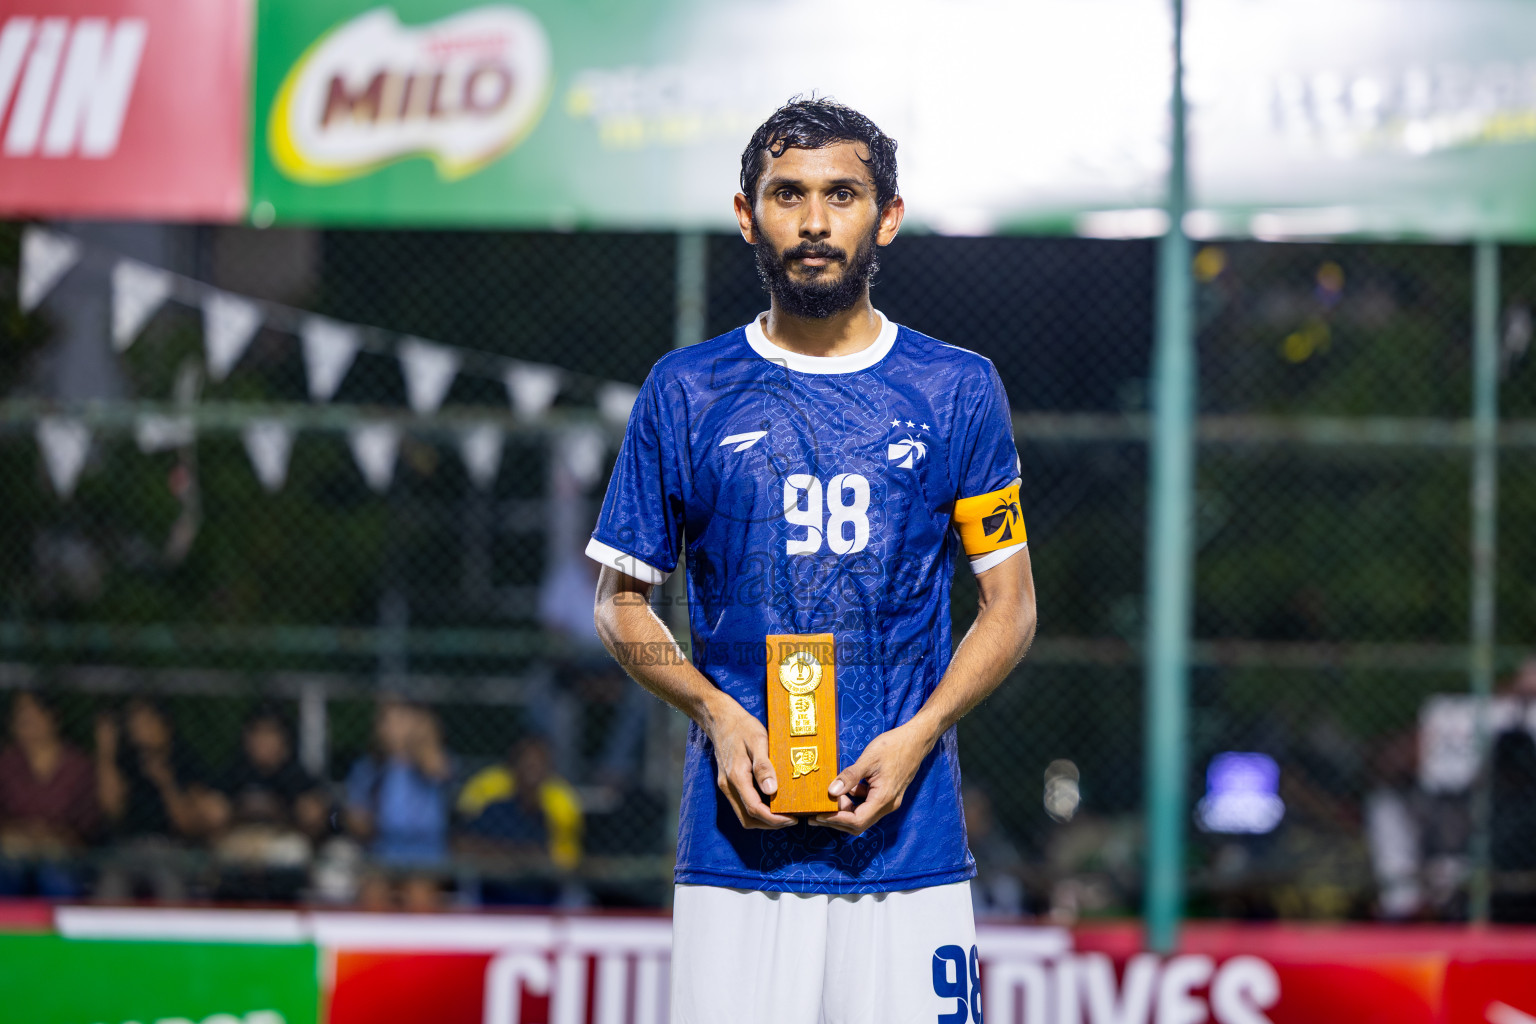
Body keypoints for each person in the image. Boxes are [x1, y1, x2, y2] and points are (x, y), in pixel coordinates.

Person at [589, 98, 1037, 1023]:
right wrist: (713, 711)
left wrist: (920, 735)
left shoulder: (957, 389)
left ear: (889, 216)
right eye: (789, 194)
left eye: (842, 194)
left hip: (911, 851)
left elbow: (1012, 609)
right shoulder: (687, 390)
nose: (816, 220)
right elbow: (620, 604)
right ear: (749, 214)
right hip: (734, 859)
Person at [203, 706, 330, 901]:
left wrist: (279, 813)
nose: (262, 741)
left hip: (281, 837)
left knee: (292, 851)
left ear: (284, 741)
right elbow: (212, 813)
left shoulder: (295, 774)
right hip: (240, 836)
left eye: (270, 734)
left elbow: (315, 816)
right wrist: (242, 812)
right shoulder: (236, 771)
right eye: (257, 734)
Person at [95, 697, 212, 901]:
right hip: (129, 846)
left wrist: (166, 783)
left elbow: (188, 825)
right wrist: (106, 751)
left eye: (145, 721)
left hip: (171, 848)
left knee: (169, 883)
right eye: (134, 722)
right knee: (111, 884)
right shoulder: (126, 759)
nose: (138, 729)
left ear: (164, 725)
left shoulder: (184, 760)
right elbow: (111, 807)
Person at [344, 698, 453, 909]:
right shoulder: (369, 768)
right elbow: (356, 812)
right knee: (372, 893)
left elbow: (438, 770)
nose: (391, 729)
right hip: (382, 850)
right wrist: (358, 820)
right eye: (385, 722)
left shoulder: (429, 762)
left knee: (418, 893)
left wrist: (421, 739)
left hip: (425, 854)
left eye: (400, 721)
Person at [456, 735, 584, 904]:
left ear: (549, 770)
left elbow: (568, 861)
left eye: (539, 763)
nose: (533, 769)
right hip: (496, 894)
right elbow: (461, 844)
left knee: (578, 900)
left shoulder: (557, 809)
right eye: (527, 763)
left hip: (544, 896)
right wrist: (516, 855)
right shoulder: (496, 809)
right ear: (513, 768)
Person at [0, 691, 98, 896]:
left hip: (61, 851)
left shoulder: (77, 765)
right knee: (6, 875)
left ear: (52, 718)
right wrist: (18, 834)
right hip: (13, 850)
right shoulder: (6, 763)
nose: (27, 720)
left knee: (56, 881)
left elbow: (88, 821)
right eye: (21, 714)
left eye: (34, 713)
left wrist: (56, 837)